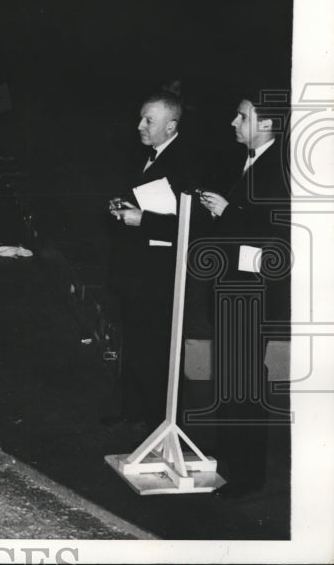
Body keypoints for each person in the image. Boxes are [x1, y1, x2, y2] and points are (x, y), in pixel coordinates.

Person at [193, 92, 290, 498]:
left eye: (242, 116)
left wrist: (225, 211)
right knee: (232, 376)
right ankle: (231, 452)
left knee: (247, 382)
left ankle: (249, 475)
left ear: (266, 125)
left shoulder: (281, 169)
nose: (234, 122)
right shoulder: (243, 160)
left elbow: (277, 234)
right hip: (232, 287)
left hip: (255, 294)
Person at [105, 90, 200, 433]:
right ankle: (133, 410)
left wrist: (141, 219)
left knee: (155, 349)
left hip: (158, 274)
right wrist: (121, 207)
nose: (140, 125)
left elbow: (193, 223)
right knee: (134, 342)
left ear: (172, 125)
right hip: (136, 269)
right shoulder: (146, 155)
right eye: (141, 117)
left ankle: (157, 422)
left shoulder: (184, 163)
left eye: (149, 120)